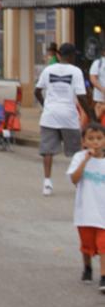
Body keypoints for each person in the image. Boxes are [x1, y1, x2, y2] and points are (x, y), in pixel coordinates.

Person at [35, 43, 91, 197]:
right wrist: (91, 116)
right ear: (72, 56)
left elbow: (37, 91)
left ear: (59, 55)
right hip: (69, 116)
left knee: (48, 151)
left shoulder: (48, 70)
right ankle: (77, 183)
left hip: (49, 115)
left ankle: (47, 183)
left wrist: (45, 105)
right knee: (76, 152)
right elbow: (81, 96)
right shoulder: (76, 71)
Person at [67, 122, 105, 291]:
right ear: (84, 142)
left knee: (103, 244)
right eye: (91, 138)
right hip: (85, 211)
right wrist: (86, 159)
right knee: (87, 245)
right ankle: (87, 267)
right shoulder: (78, 157)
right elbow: (74, 179)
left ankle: (104, 277)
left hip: (103, 211)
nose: (95, 142)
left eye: (99, 138)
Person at [90, 47, 105, 123]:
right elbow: (93, 78)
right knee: (98, 120)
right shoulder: (98, 63)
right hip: (100, 99)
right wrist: (102, 89)